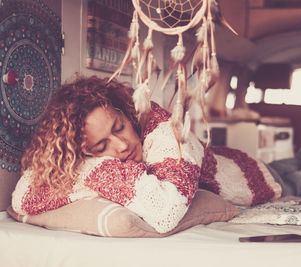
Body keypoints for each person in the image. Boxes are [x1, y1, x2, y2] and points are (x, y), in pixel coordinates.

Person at [12, 75, 283, 233]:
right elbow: (23, 197)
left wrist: (95, 169)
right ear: (82, 152)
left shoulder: (167, 130)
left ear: (126, 113)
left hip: (252, 176)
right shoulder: (85, 158)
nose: (120, 146)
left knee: (298, 172)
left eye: (119, 128)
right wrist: (88, 166)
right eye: (100, 148)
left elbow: (165, 212)